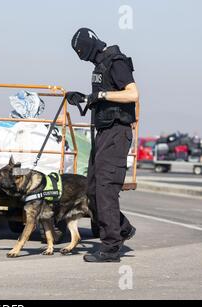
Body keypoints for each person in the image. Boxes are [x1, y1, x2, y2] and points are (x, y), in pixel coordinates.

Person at [66, 28, 138, 262]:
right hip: (104, 132)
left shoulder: (116, 61)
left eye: (81, 51)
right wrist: (84, 98)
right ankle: (122, 227)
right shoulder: (100, 66)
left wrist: (102, 96)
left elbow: (132, 94)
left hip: (117, 133)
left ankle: (110, 248)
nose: (81, 56)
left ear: (90, 46)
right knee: (92, 190)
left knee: (106, 189)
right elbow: (101, 98)